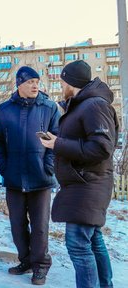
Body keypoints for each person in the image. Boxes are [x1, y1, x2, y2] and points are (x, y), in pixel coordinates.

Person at [40, 60, 118, 288]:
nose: (61, 85)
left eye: (62, 81)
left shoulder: (95, 105)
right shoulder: (84, 105)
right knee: (93, 240)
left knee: (77, 244)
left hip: (88, 184)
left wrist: (58, 144)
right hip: (84, 183)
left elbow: (102, 148)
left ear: (70, 82)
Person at [0, 66, 60, 285]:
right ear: (19, 84)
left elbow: (57, 139)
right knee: (17, 223)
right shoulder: (4, 109)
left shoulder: (49, 108)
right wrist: (4, 167)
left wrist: (48, 166)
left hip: (41, 178)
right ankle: (26, 260)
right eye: (30, 82)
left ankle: (40, 265)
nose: (35, 85)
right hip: (14, 177)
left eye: (37, 82)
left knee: (40, 226)